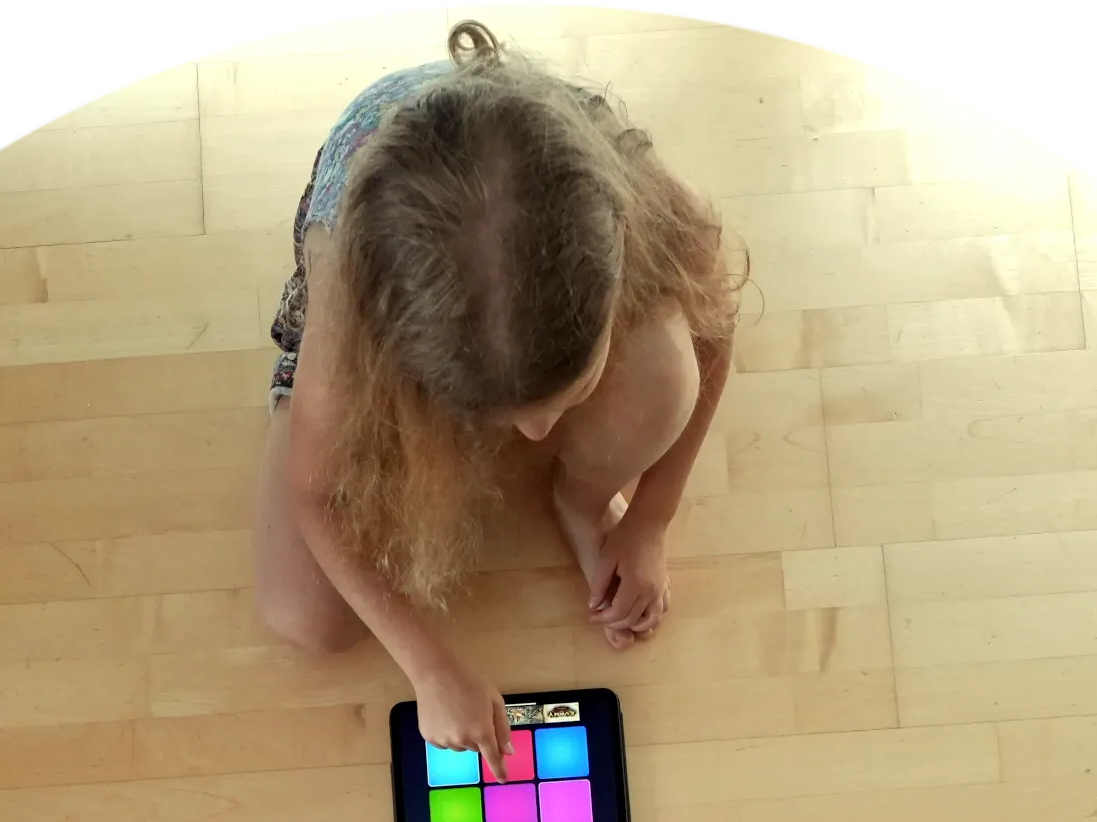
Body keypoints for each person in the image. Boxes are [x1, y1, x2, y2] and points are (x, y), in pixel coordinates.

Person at [254, 18, 743, 773]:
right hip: (374, 225)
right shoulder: (353, 294)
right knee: (304, 615)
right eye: (503, 418)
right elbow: (315, 497)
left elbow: (713, 327)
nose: (540, 433)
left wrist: (650, 518)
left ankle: (579, 500)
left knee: (666, 375)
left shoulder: (631, 194)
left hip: (533, 178)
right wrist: (428, 666)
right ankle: (306, 392)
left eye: (564, 395)